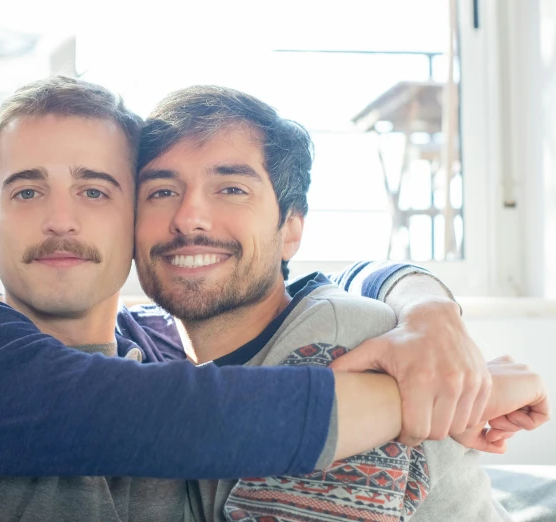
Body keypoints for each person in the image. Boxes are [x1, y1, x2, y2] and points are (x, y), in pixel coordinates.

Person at [0, 77, 545, 522]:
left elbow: (328, 288)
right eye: (27, 190)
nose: (61, 219)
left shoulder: (183, 346)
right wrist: (453, 393)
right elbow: (192, 417)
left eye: (95, 190)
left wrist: (427, 309)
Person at [133, 85, 548, 521]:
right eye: (161, 192)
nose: (188, 217)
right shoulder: (144, 342)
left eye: (232, 189)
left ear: (291, 231)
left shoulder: (342, 341)